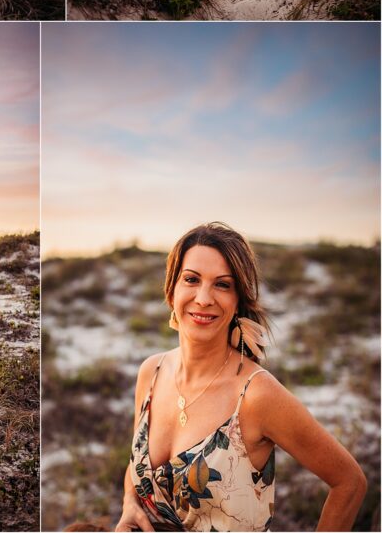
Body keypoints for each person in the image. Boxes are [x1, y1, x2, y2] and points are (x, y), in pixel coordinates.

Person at [116, 222, 366, 532]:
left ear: (238, 300)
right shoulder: (151, 373)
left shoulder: (256, 395)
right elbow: (135, 464)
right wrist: (129, 503)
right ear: (171, 288)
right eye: (191, 279)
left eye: (222, 284)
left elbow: (349, 482)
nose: (204, 298)